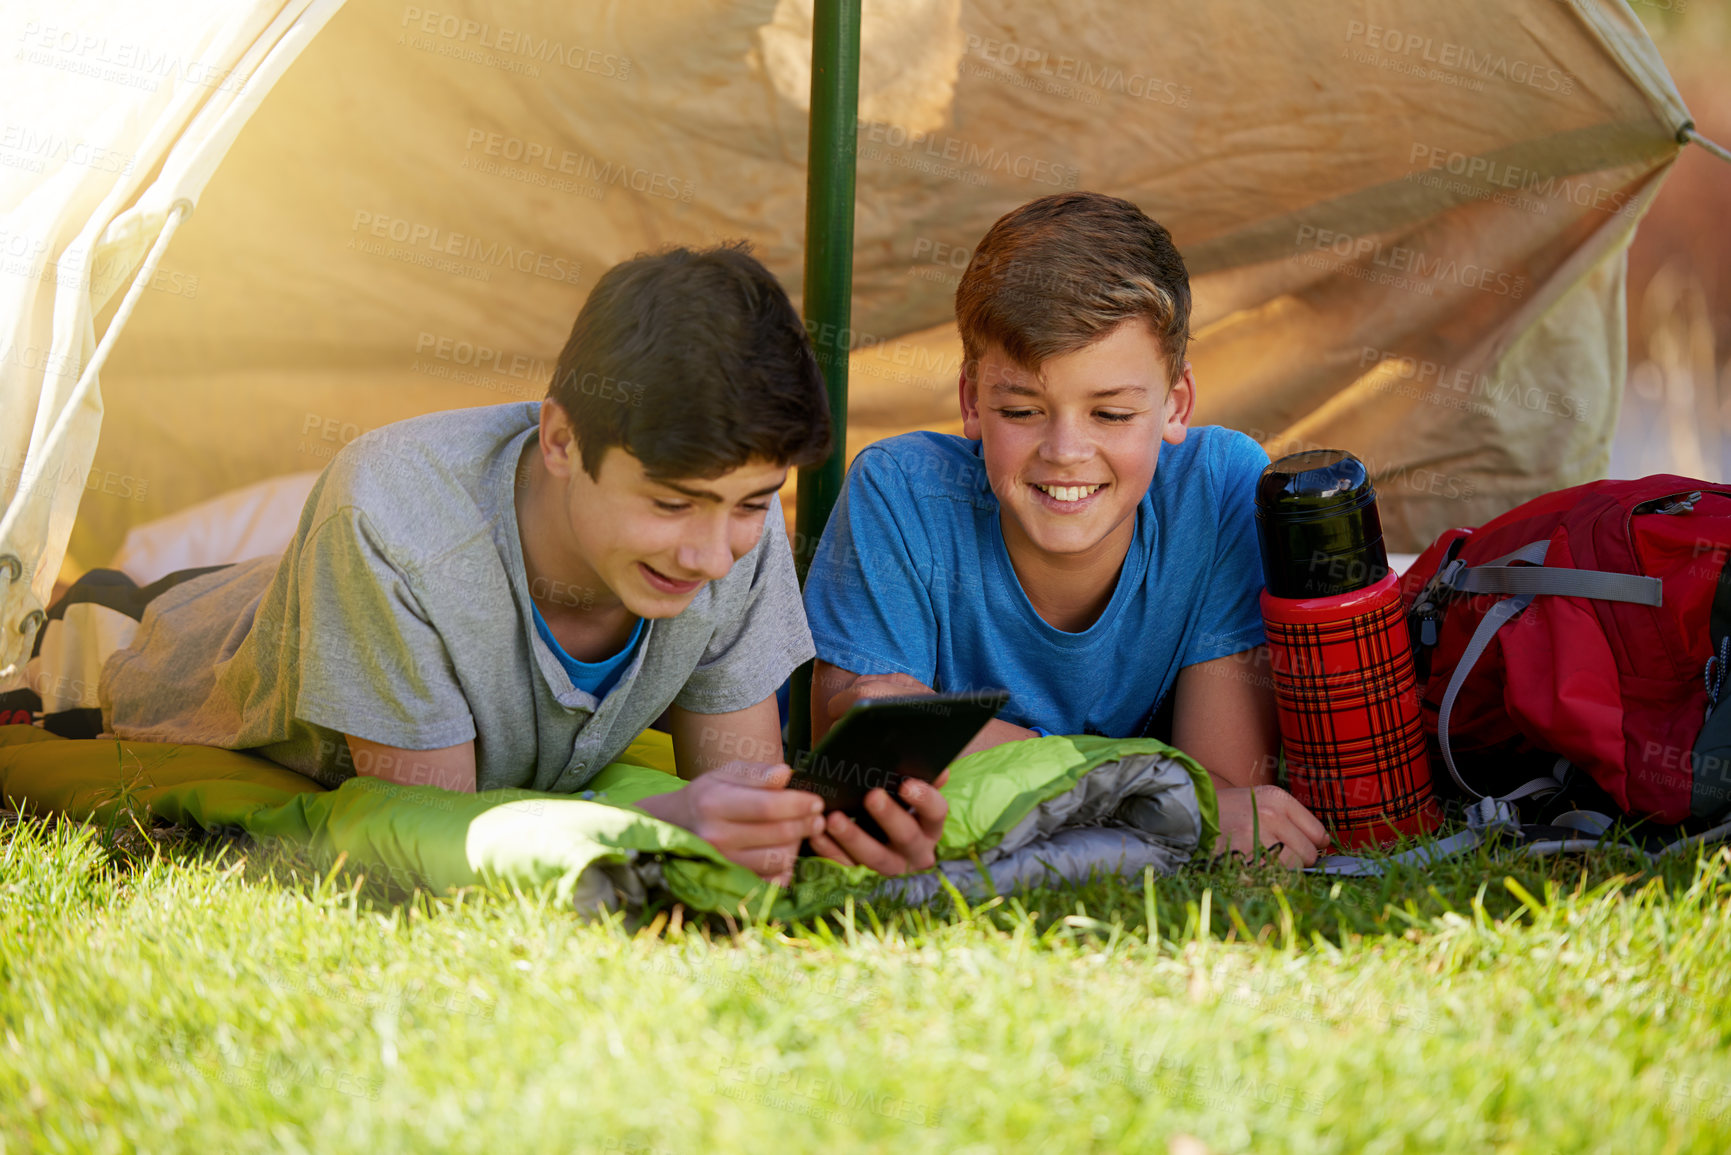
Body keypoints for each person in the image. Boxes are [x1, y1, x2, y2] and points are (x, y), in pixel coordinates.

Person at [97, 244, 947, 883]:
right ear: (561, 439)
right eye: (670, 502)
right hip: (180, 644)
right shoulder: (393, 519)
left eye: (753, 503)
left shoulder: (732, 530)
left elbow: (740, 793)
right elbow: (431, 835)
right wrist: (646, 821)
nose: (711, 552)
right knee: (112, 609)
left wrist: (831, 834)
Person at [801, 192, 1330, 867]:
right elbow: (861, 772)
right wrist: (1161, 793)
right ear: (971, 401)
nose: (1065, 451)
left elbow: (1227, 787)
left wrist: (969, 741)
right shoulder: (900, 489)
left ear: (1176, 404)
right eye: (1022, 409)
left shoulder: (1218, 485)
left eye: (1110, 414)